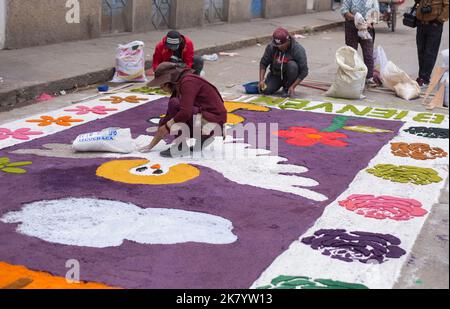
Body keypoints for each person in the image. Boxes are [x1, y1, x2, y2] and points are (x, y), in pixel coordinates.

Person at [140, 62, 227, 158]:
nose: (161, 88)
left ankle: (181, 146)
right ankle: (203, 139)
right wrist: (151, 144)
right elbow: (168, 116)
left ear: (168, 82)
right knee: (175, 108)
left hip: (213, 121)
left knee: (175, 105)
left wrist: (168, 125)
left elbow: (185, 112)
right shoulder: (180, 84)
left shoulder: (188, 82)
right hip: (211, 119)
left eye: (161, 85)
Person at [259, 27, 309, 97]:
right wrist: (261, 80)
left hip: (290, 77)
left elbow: (304, 71)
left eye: (282, 45)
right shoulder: (271, 47)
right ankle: (276, 83)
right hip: (276, 74)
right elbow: (263, 63)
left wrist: (293, 86)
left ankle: (287, 88)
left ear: (288, 41)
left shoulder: (298, 49)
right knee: (265, 90)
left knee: (292, 66)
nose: (279, 47)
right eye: (277, 45)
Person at [341, 0, 380, 86]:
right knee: (351, 53)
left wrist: (368, 22)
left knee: (368, 54)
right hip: (351, 27)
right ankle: (351, 77)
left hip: (366, 28)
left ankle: (369, 78)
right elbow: (344, 11)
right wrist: (355, 18)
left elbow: (375, 13)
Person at [416, 0, 449, 87]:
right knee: (421, 51)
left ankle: (424, 78)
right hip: (421, 23)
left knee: (430, 52)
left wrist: (439, 20)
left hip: (434, 25)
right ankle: (421, 77)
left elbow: (447, 6)